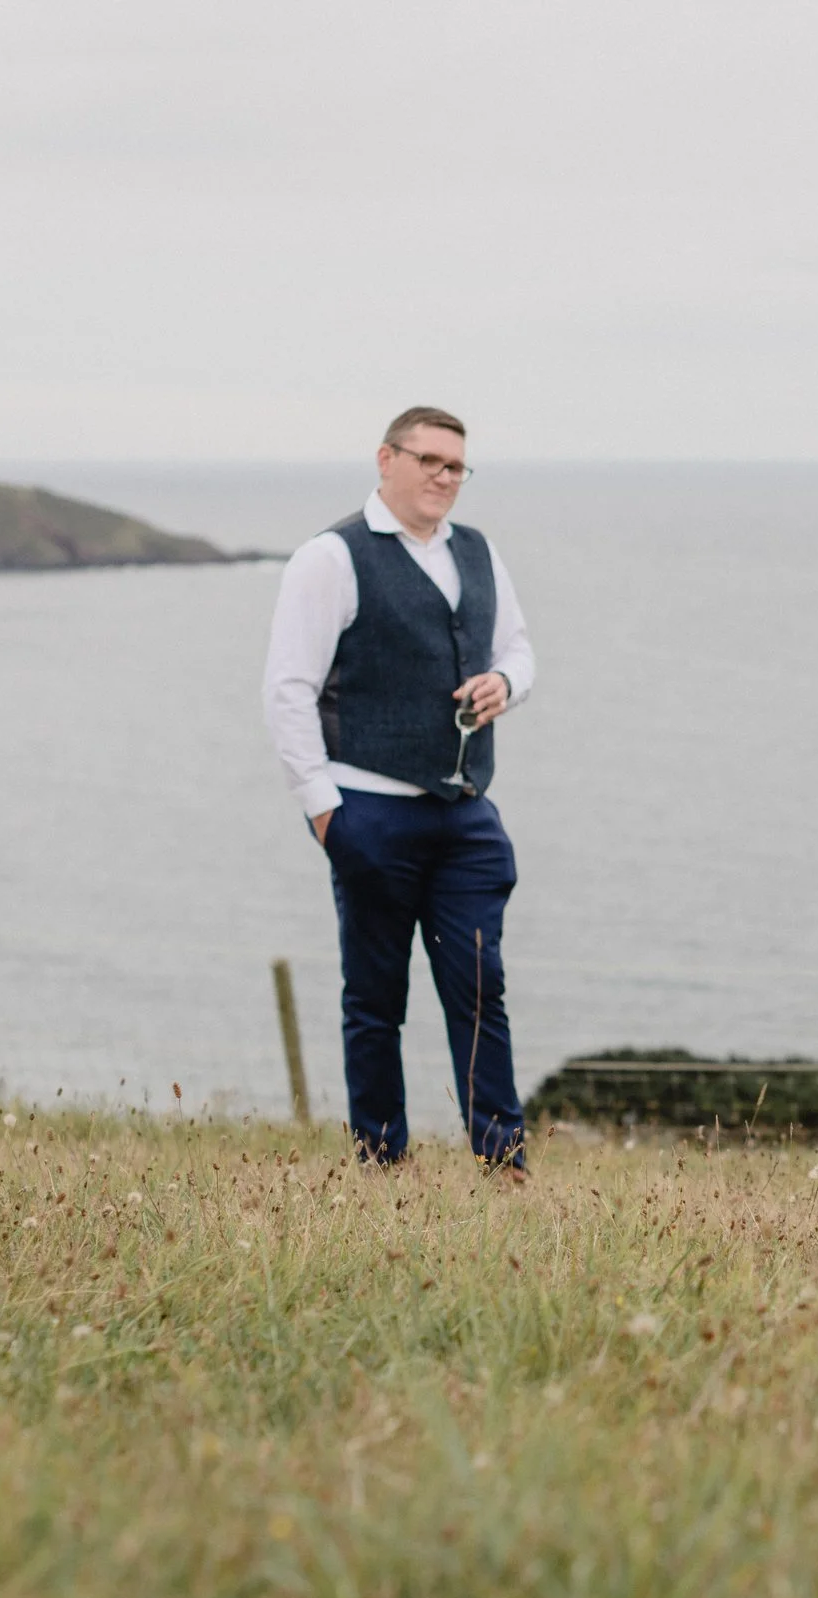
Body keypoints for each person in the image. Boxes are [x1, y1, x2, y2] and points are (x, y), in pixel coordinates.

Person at [261, 406, 536, 1173]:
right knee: (375, 998)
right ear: (387, 459)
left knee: (481, 986)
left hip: (466, 813)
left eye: (457, 467)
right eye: (430, 461)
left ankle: (502, 1160)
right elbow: (288, 689)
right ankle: (383, 1162)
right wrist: (324, 811)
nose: (445, 478)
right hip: (368, 810)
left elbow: (517, 646)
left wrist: (503, 683)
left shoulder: (477, 552)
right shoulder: (331, 557)